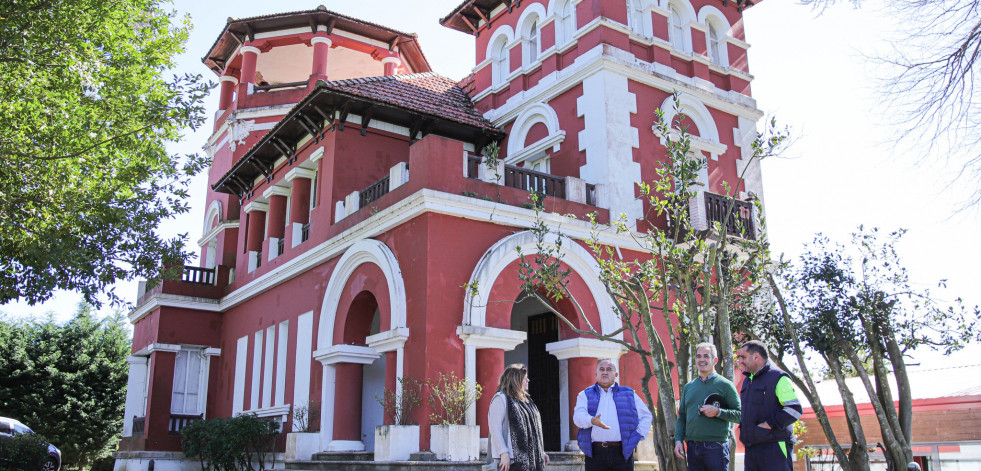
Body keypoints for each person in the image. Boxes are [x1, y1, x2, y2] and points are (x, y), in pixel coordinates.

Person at [573, 359, 653, 471]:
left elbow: (646, 416)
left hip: (622, 452)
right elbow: (578, 417)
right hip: (595, 453)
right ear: (596, 375)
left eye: (609, 369)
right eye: (601, 369)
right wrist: (591, 420)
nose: (605, 372)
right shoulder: (585, 394)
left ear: (616, 374)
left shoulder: (629, 394)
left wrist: (637, 435)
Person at [736, 340, 803, 471]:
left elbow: (794, 409)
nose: (741, 361)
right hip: (752, 449)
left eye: (743, 357)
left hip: (774, 448)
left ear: (756, 356)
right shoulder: (748, 381)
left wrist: (768, 424)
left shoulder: (779, 377)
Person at [674, 343, 741, 471]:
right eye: (698, 356)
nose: (702, 359)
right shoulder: (689, 387)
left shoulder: (725, 385)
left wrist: (718, 412)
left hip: (716, 447)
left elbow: (739, 415)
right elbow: (682, 416)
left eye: (706, 356)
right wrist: (678, 440)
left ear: (715, 360)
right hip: (693, 448)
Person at [488, 363, 550, 471]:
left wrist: (541, 451)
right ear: (516, 380)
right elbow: (495, 428)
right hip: (512, 460)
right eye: (525, 378)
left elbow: (532, 429)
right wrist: (503, 453)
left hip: (531, 459)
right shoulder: (501, 398)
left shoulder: (526, 400)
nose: (528, 380)